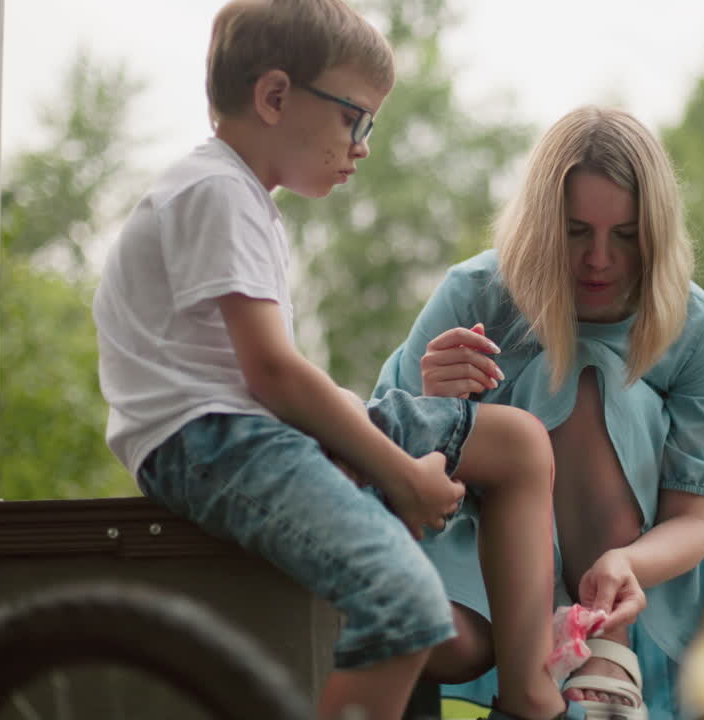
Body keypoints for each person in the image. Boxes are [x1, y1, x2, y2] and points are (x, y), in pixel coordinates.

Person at [92, 2, 581, 719]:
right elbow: (272, 373)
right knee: (406, 602)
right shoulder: (216, 192)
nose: (362, 145)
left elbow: (266, 377)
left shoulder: (237, 196)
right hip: (211, 445)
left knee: (516, 443)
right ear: (275, 96)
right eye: (354, 118)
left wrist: (350, 426)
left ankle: (531, 699)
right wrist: (401, 475)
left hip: (250, 429)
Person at [374, 106, 704, 720]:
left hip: (630, 581)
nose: (598, 259)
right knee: (441, 638)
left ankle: (599, 651)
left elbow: (694, 519)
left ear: (655, 231)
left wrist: (624, 563)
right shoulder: (474, 294)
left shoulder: (696, 327)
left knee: (588, 369)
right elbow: (379, 461)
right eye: (576, 232)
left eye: (625, 235)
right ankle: (531, 687)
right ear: (542, 224)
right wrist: (431, 407)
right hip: (476, 557)